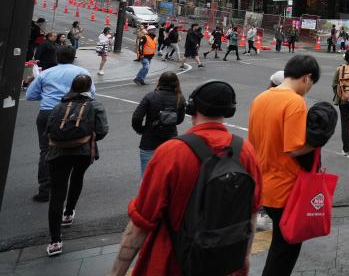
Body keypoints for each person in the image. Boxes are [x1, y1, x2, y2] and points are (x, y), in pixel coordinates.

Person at [109, 80, 262, 276]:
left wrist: (117, 272)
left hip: (172, 263)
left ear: (191, 109)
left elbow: (141, 222)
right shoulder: (245, 151)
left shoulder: (171, 152)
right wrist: (244, 259)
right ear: (229, 111)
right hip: (224, 264)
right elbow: (251, 214)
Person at [248, 55, 319, 275]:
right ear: (306, 78)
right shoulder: (295, 102)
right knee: (285, 250)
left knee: (280, 245)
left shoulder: (261, 97)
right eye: (311, 84)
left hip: (263, 183)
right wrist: (319, 140)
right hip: (286, 189)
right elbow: (295, 148)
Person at [44, 74, 108, 256]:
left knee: (57, 193)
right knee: (77, 177)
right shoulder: (95, 105)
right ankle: (69, 213)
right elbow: (102, 131)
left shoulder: (59, 106)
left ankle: (55, 241)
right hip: (83, 151)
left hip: (58, 153)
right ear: (89, 88)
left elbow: (48, 130)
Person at [25, 45, 92, 203]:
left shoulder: (46, 73)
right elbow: (91, 94)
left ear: (57, 57)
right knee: (74, 147)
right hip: (76, 112)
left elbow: (30, 95)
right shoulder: (83, 73)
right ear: (73, 56)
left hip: (48, 112)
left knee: (46, 150)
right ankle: (67, 184)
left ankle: (44, 189)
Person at [131, 71, 185, 175]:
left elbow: (136, 118)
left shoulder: (151, 96)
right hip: (170, 141)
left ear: (160, 82)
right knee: (167, 179)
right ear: (176, 83)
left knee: (147, 178)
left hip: (149, 141)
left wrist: (141, 130)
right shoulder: (180, 98)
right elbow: (179, 120)